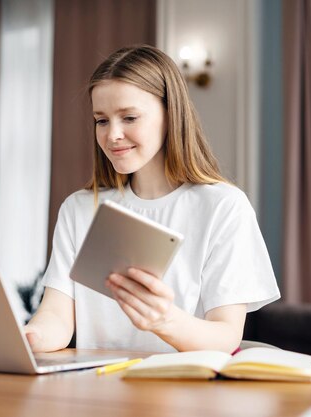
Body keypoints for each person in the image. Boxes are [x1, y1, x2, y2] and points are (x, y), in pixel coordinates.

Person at [24, 44, 280, 354]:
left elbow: (226, 336)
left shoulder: (223, 207)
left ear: (170, 115)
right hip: (95, 392)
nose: (112, 134)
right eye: (101, 120)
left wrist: (164, 321)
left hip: (186, 392)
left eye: (129, 118)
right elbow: (56, 317)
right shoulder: (80, 209)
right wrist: (28, 336)